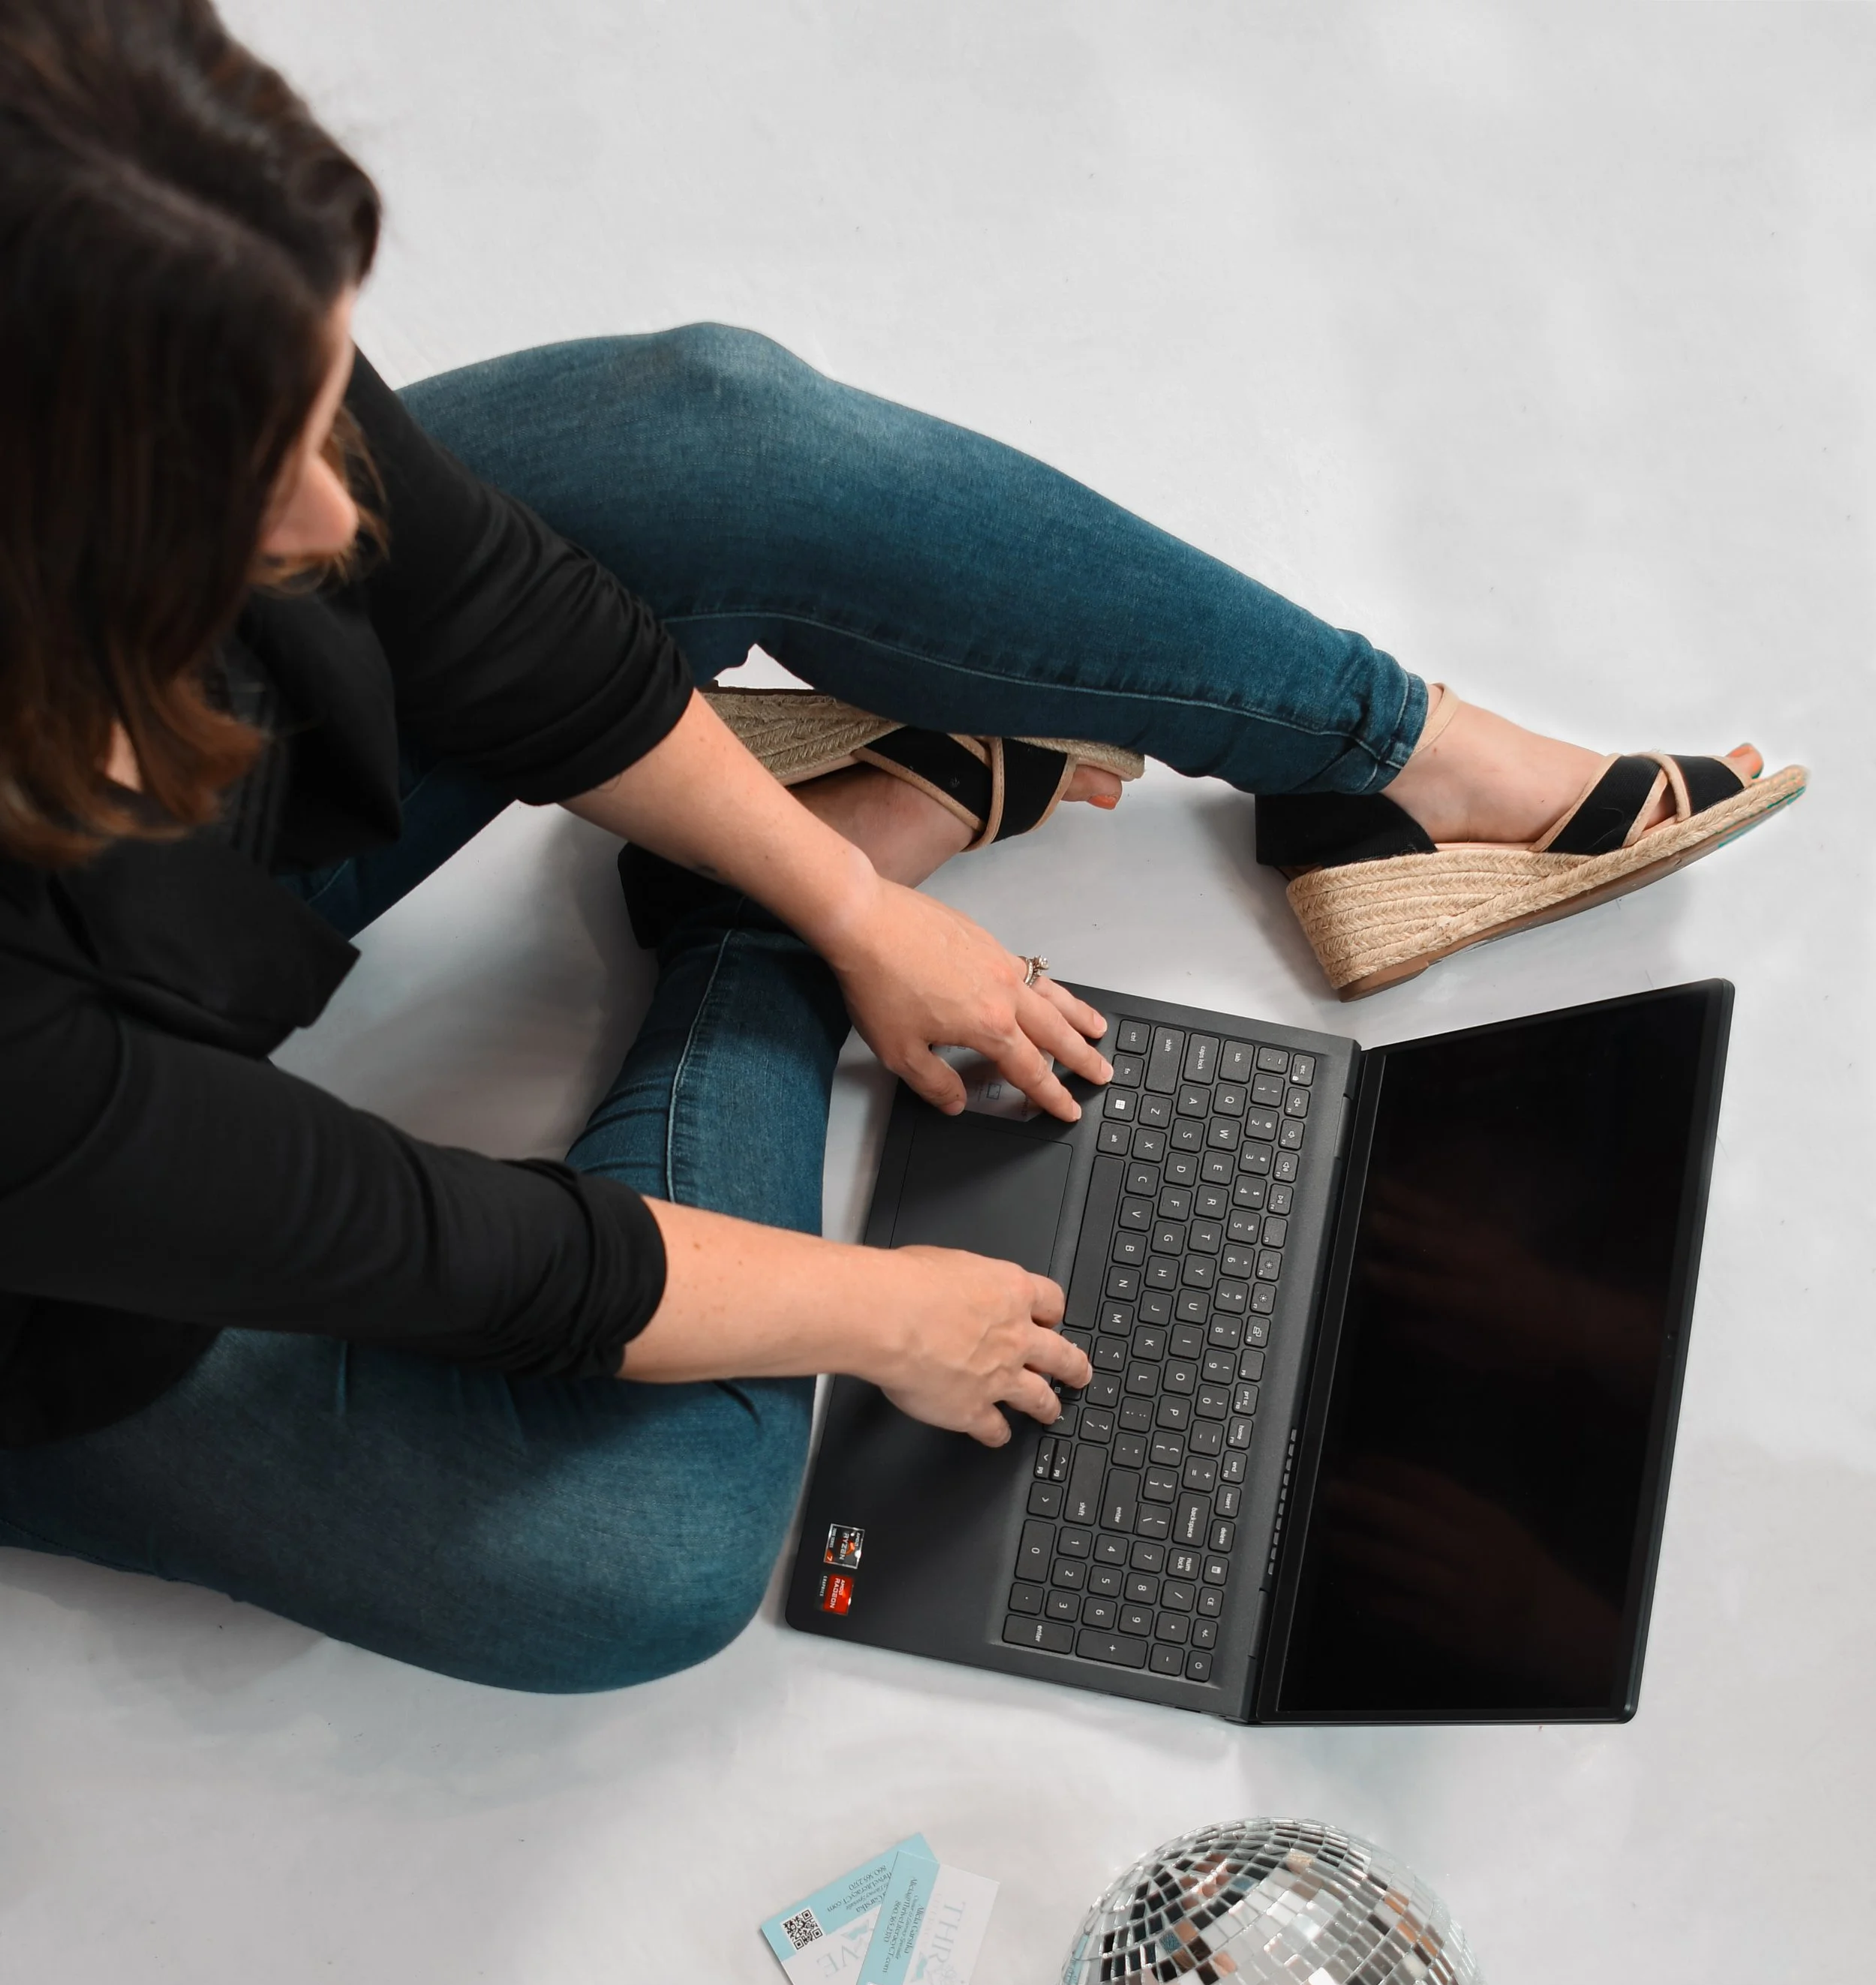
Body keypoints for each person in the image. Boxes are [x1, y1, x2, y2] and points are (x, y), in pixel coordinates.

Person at [0, 0, 1801, 1693]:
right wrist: (883, 1309)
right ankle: (730, 950)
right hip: (54, 1279)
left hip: (102, 839)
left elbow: (483, 606)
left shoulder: (117, 285)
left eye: (318, 399)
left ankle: (1389, 767)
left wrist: (855, 894)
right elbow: (441, 1248)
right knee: (638, 1547)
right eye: (238, 476)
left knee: (714, 430)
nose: (333, 507)